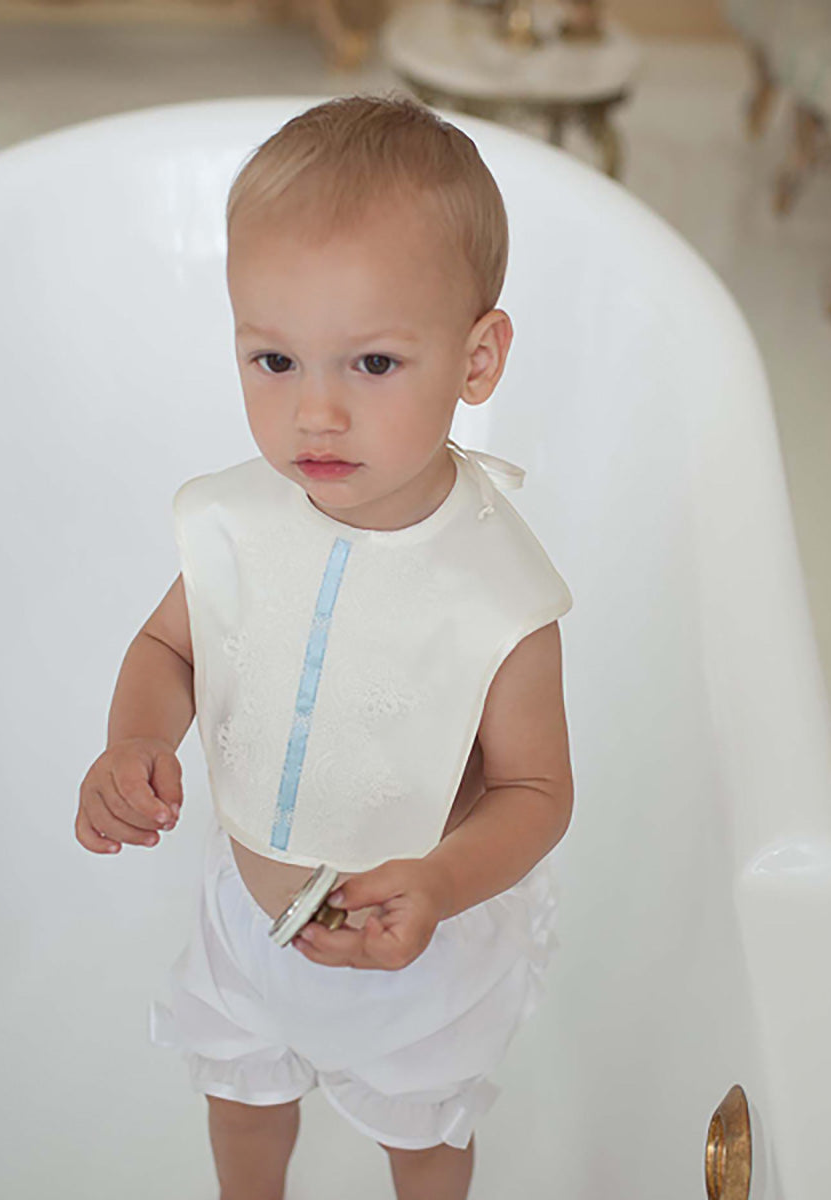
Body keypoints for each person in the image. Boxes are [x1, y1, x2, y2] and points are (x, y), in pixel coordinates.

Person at [74, 92, 575, 1200]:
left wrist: (443, 880)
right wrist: (131, 744)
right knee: (243, 1114)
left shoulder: (497, 590)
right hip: (247, 920)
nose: (316, 417)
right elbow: (171, 648)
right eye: (275, 360)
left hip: (418, 946)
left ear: (477, 358)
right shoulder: (241, 521)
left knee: (425, 1144)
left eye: (374, 365)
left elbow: (537, 790)